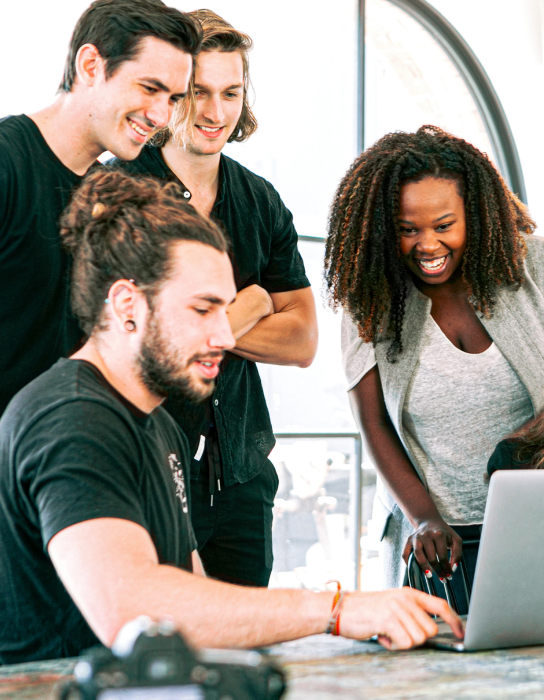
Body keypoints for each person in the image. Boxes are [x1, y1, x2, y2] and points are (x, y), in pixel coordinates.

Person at [0, 169, 462, 663]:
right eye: (203, 310)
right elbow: (133, 611)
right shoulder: (72, 419)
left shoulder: (158, 425)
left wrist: (352, 625)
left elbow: (195, 598)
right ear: (127, 304)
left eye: (226, 310)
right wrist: (336, 609)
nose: (226, 336)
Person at [110, 10, 318, 588]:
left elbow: (303, 341)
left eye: (231, 93)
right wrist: (252, 303)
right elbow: (132, 339)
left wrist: (198, 324)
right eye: (198, 92)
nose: (215, 112)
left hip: (242, 480)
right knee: (158, 639)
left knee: (244, 637)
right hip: (145, 473)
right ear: (169, 94)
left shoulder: (261, 200)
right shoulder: (117, 191)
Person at [324, 125, 544, 610]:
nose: (427, 245)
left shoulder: (532, 265)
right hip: (439, 542)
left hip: (534, 520)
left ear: (476, 215)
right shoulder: (370, 297)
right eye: (408, 229)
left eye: (444, 226)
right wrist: (424, 518)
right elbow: (373, 423)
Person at [0, 0, 201, 416]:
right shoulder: (7, 165)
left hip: (69, 441)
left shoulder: (113, 198)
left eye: (173, 98)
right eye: (149, 88)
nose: (161, 116)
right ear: (91, 65)